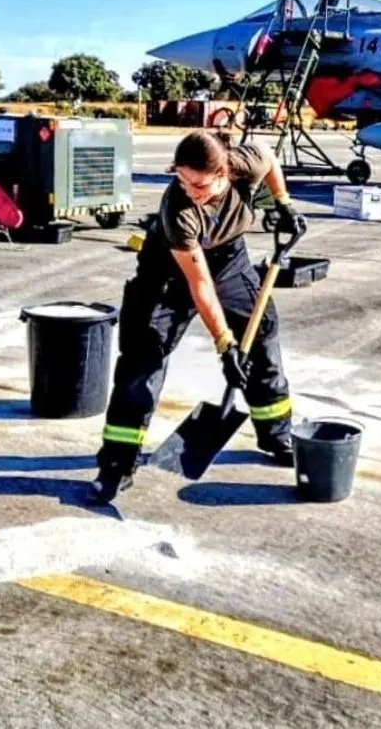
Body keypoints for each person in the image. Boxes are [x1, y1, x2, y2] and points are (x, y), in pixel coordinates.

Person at [89, 129, 308, 503]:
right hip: (166, 275)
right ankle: (117, 463)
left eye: (200, 184)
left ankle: (276, 434)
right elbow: (199, 283)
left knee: (262, 332)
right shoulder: (178, 210)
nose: (190, 190)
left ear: (225, 174)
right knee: (144, 356)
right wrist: (225, 345)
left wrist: (283, 203)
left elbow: (269, 156)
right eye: (182, 179)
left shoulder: (244, 164)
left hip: (229, 260)